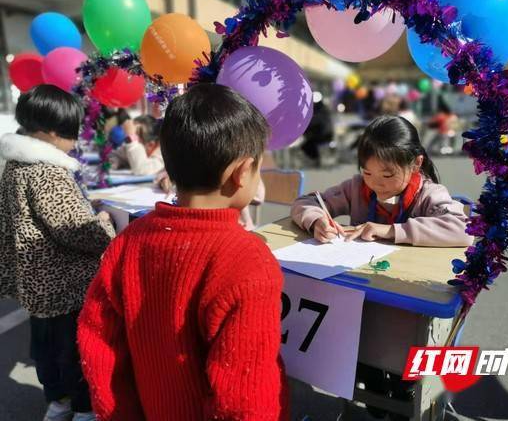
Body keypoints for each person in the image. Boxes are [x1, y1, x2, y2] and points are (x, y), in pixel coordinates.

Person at [78, 83, 288, 421]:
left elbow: (99, 346)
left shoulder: (129, 241)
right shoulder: (250, 262)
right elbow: (245, 398)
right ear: (242, 172)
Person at [0, 85, 115, 421]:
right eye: (71, 132)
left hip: (35, 282)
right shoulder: (47, 170)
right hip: (63, 284)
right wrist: (105, 225)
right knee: (74, 352)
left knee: (46, 351)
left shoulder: (15, 165)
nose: (75, 140)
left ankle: (57, 402)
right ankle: (82, 409)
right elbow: (75, 229)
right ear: (51, 133)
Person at [291, 116, 473, 247]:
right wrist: (317, 221)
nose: (376, 184)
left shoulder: (428, 194)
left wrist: (389, 230)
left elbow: (464, 230)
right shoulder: (356, 188)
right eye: (367, 172)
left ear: (416, 163)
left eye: (387, 175)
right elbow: (305, 202)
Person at [300, 100, 335, 167]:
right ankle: (316, 159)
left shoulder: (320, 113)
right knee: (309, 143)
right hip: (328, 136)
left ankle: (316, 159)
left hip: (323, 137)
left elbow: (314, 123)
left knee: (306, 145)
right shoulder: (325, 112)